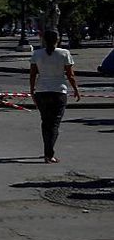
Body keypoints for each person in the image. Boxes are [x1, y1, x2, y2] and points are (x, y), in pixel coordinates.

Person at [29, 30, 81, 163]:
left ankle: (47, 150)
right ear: (57, 40)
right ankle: (48, 153)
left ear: (44, 40)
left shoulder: (36, 54)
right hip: (59, 92)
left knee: (46, 123)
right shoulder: (64, 53)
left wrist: (32, 91)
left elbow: (33, 75)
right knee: (54, 124)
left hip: (41, 91)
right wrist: (75, 89)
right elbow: (70, 75)